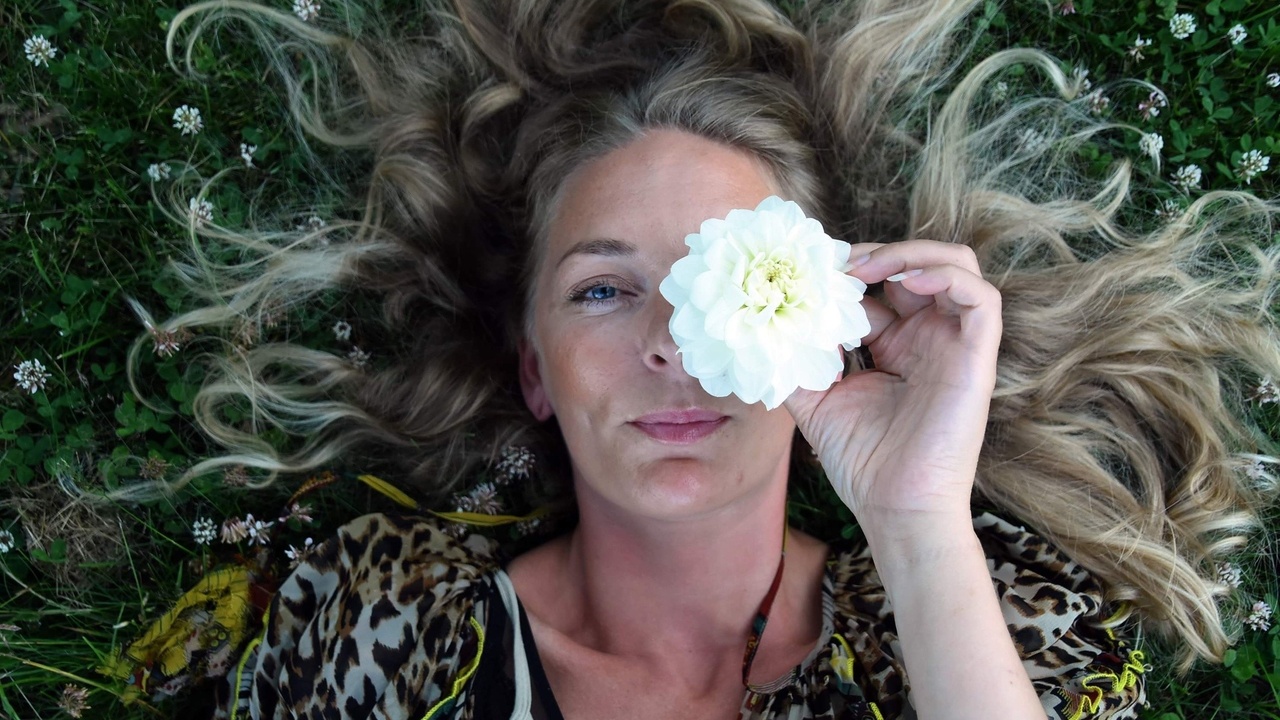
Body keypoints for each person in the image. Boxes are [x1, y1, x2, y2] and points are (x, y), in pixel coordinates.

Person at [145, 0, 1278, 718]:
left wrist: (916, 517)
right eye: (602, 289)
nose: (668, 342)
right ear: (534, 369)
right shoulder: (380, 635)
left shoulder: (976, 641)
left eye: (719, 287)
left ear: (825, 328)